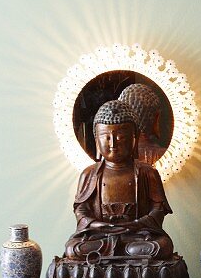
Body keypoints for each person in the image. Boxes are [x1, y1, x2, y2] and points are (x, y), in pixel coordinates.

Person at [64, 100, 175, 261]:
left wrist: (136, 224)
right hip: (100, 237)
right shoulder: (89, 173)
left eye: (120, 136)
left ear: (134, 138)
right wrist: (98, 225)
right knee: (73, 249)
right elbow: (81, 211)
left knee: (162, 246)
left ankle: (118, 255)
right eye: (106, 137)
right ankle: (123, 256)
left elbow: (158, 210)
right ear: (96, 139)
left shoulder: (147, 172)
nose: (113, 143)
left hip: (137, 237)